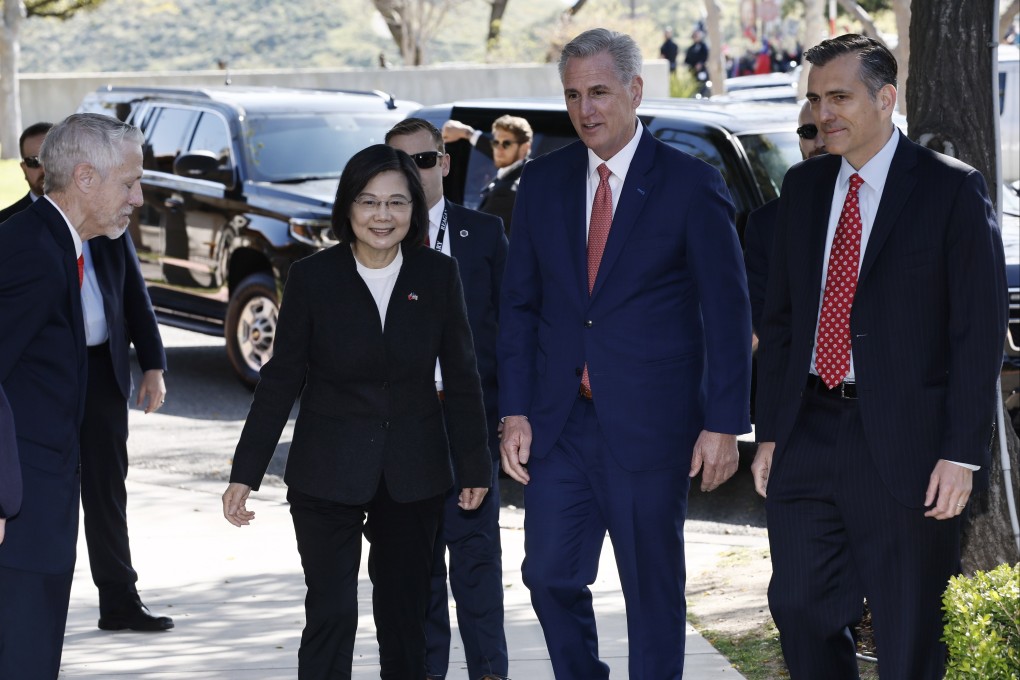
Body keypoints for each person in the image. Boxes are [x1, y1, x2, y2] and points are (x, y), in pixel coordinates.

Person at [498, 28, 751, 678]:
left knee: (652, 595)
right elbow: (519, 306)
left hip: (651, 428)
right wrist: (515, 410)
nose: (586, 110)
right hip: (560, 424)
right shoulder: (543, 184)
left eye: (601, 92)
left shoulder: (690, 185)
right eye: (574, 94)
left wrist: (724, 423)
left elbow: (728, 314)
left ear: (636, 90)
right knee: (548, 575)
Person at [752, 34, 1007, 679]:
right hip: (809, 430)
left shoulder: (950, 191)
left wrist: (960, 452)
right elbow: (781, 323)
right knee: (800, 607)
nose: (822, 112)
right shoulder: (806, 187)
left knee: (909, 634)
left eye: (838, 96)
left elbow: (977, 333)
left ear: (886, 97)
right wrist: (773, 433)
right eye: (815, 98)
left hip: (908, 445)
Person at [222, 144, 493, 679]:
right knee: (332, 612)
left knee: (405, 619)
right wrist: (244, 473)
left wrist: (474, 464)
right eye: (369, 202)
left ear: (414, 209)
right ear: (347, 207)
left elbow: (461, 376)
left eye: (396, 203)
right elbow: (281, 378)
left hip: (413, 473)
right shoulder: (311, 277)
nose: (382, 216)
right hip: (326, 473)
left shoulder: (437, 275)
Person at [1, 122, 172, 632]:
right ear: (85, 178)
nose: (139, 198)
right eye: (129, 183)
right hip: (23, 510)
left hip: (42, 497)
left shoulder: (64, 241)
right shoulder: (30, 250)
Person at [385, 118, 510, 680]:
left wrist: (512, 418)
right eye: (399, 163)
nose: (414, 174)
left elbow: (512, 334)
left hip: (468, 428)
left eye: (425, 160)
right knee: (417, 581)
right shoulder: (372, 244)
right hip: (401, 435)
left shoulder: (483, 235)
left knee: (477, 572)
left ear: (446, 162)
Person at [744, 101, 827, 333]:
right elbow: (768, 325)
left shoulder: (879, 205)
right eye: (809, 131)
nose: (820, 141)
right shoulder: (766, 224)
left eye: (829, 128)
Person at [442, 116, 532, 234]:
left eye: (506, 144)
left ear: (524, 148)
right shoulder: (530, 172)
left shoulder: (507, 192)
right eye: (495, 142)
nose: (498, 150)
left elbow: (474, 231)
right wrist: (468, 134)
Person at [0, 121, 51, 223]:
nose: (44, 169)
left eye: (51, 158)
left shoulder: (90, 212)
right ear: (24, 168)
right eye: (33, 161)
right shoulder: (4, 222)